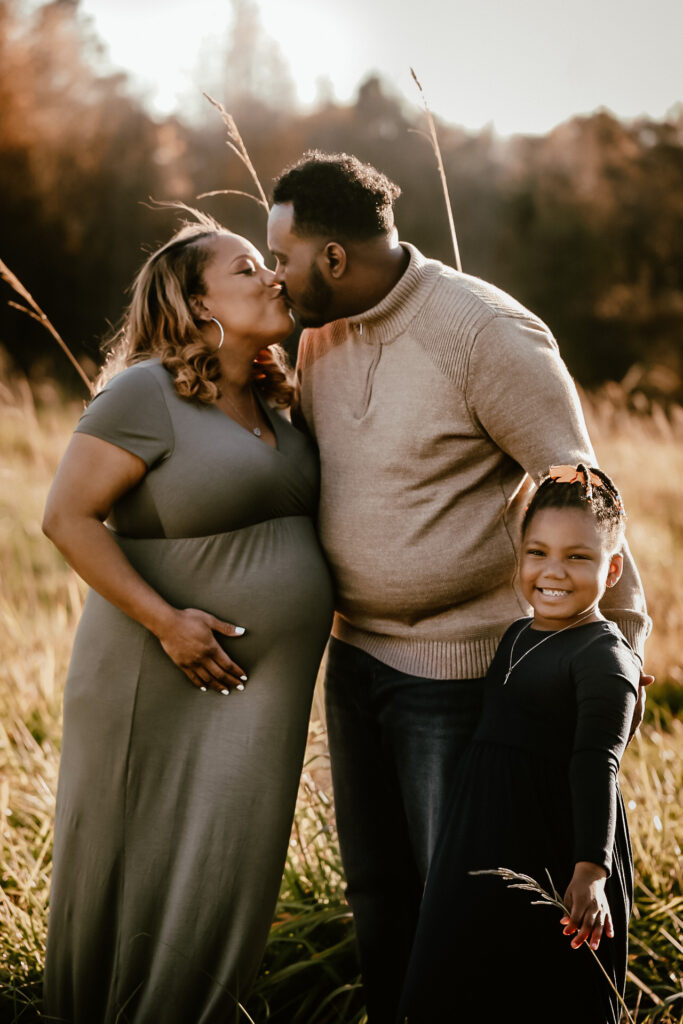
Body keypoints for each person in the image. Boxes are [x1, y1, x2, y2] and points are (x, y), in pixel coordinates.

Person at [266, 151, 651, 1023]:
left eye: (283, 256)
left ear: (333, 256)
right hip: (353, 657)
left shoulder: (483, 333)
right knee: (377, 894)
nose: (275, 275)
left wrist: (617, 649)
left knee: (464, 907)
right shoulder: (321, 330)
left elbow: (582, 489)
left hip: (453, 676)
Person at [41, 212, 334, 1024]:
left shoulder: (279, 400)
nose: (272, 276)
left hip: (259, 688)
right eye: (246, 268)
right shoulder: (146, 393)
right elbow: (66, 518)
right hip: (156, 667)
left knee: (231, 863)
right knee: (136, 855)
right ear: (197, 305)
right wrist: (166, 621)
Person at [397, 465, 639, 1023]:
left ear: (613, 568)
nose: (553, 571)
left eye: (578, 556)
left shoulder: (603, 658)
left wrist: (591, 871)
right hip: (482, 843)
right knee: (461, 982)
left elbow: (597, 764)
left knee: (537, 990)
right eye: (538, 552)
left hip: (555, 853)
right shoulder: (516, 635)